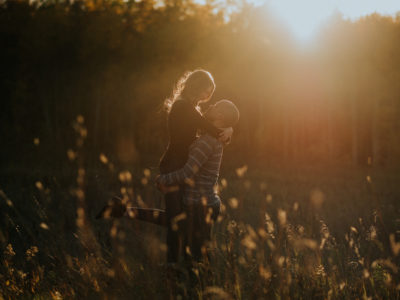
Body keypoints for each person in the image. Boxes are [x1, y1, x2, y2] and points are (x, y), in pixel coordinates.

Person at [156, 99, 240, 261]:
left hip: (200, 206)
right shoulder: (210, 137)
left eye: (214, 106)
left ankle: (200, 284)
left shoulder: (207, 142)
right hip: (201, 203)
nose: (210, 105)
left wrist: (164, 179)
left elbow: (188, 172)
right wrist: (229, 128)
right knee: (195, 253)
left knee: (197, 257)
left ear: (220, 115)